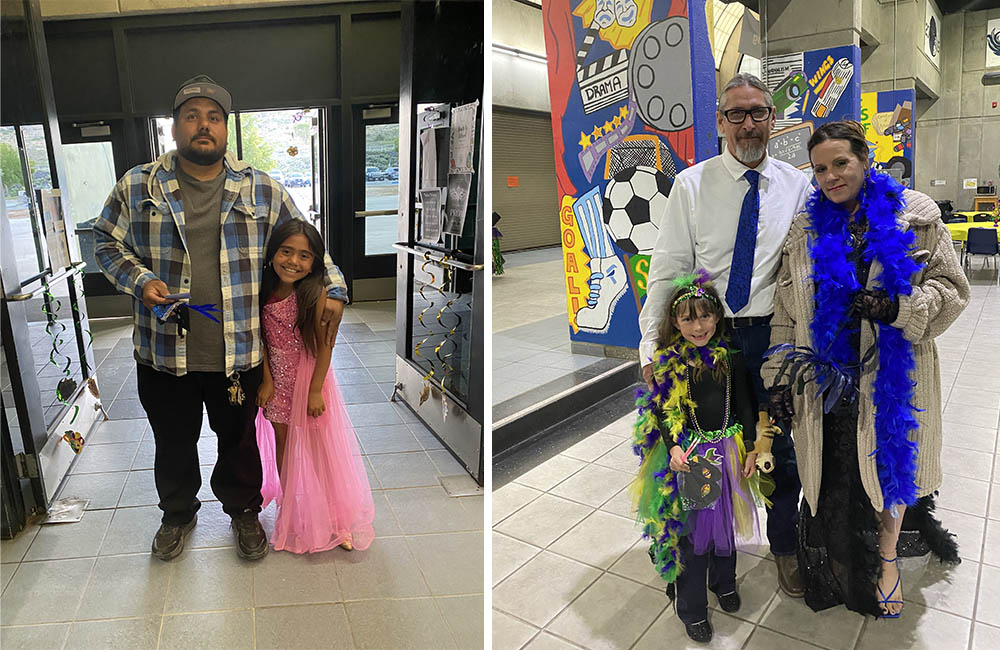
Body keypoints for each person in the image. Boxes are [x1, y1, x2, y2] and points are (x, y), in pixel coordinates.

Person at [94, 75, 349, 561]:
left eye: (213, 117)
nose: (202, 126)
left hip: (239, 351)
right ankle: (177, 513)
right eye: (191, 116)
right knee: (172, 440)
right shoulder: (138, 184)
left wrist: (334, 288)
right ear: (174, 127)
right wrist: (140, 279)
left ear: (225, 129)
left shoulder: (262, 188)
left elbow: (308, 242)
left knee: (239, 440)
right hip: (164, 350)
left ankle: (244, 511)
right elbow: (105, 242)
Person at [761, 120, 969, 618]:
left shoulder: (914, 215)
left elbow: (954, 291)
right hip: (829, 378)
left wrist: (899, 307)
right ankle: (847, 557)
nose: (831, 176)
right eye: (820, 169)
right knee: (840, 473)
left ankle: (889, 557)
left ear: (864, 159)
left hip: (896, 371)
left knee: (891, 464)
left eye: (841, 163)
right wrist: (778, 380)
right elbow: (786, 316)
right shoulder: (804, 231)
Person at [638, 73, 812, 598]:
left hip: (775, 336)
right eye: (736, 114)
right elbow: (667, 270)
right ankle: (699, 554)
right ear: (720, 122)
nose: (748, 124)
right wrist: (651, 345)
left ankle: (784, 546)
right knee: (700, 447)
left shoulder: (798, 185)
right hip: (707, 342)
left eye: (758, 112)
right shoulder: (692, 186)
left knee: (779, 447)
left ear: (772, 118)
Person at [632, 272, 766, 643]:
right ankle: (690, 606)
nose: (698, 326)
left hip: (729, 448)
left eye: (705, 316)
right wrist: (674, 446)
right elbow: (664, 411)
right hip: (691, 456)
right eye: (688, 318)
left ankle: (723, 583)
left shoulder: (730, 359)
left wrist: (752, 445)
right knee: (693, 534)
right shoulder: (667, 362)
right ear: (674, 322)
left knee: (724, 523)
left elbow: (744, 404)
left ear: (717, 317)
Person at [254, 220, 375, 553]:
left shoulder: (316, 292)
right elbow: (260, 339)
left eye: (304, 256)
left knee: (319, 448)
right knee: (284, 445)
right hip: (276, 379)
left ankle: (336, 520)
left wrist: (315, 389)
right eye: (286, 251)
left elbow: (325, 346)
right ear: (272, 253)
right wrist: (266, 379)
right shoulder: (263, 289)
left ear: (315, 261)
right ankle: (290, 509)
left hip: (308, 378)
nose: (293, 261)